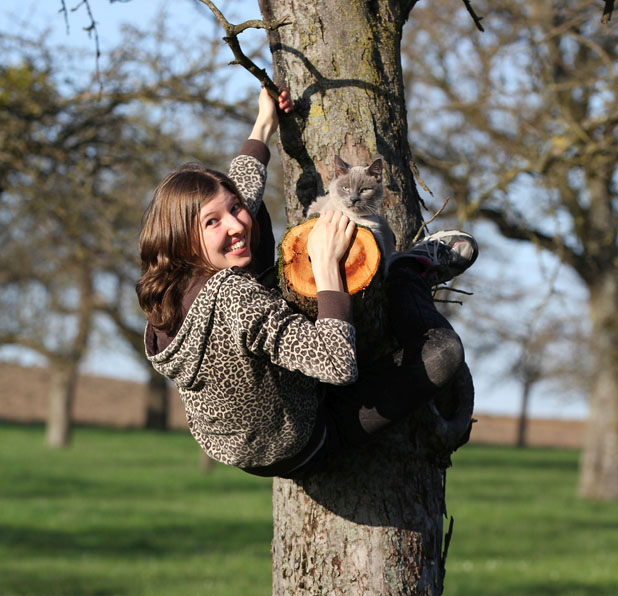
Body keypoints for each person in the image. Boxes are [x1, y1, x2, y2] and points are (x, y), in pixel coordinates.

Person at [136, 87, 477, 479]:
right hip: (309, 437)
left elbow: (240, 198)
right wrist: (328, 265)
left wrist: (264, 122)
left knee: (256, 220)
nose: (234, 224)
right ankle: (407, 273)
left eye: (232, 209)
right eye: (213, 221)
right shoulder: (235, 296)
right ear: (183, 237)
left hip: (249, 433)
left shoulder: (168, 281)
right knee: (444, 353)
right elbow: (336, 365)